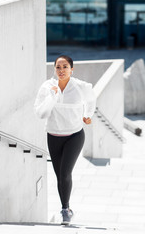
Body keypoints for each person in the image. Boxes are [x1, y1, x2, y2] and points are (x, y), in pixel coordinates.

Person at [34, 55, 96, 225]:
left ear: (71, 69)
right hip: (53, 136)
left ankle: (65, 209)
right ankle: (66, 208)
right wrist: (51, 98)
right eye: (58, 67)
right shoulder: (47, 87)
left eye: (65, 67)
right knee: (59, 177)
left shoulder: (80, 86)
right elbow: (40, 113)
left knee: (65, 173)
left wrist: (88, 115)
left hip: (74, 136)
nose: (61, 71)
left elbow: (91, 100)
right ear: (54, 69)